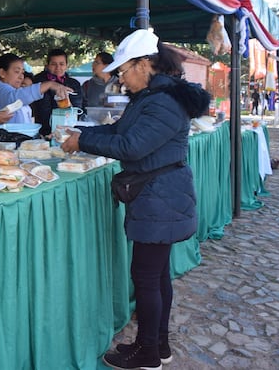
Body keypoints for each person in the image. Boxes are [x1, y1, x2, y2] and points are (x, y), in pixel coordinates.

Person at [61, 29, 210, 370]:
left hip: (161, 199)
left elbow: (132, 147)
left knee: (146, 276)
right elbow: (118, 132)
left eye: (125, 71)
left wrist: (82, 143)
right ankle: (158, 345)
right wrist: (81, 134)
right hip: (158, 197)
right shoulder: (150, 97)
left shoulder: (164, 101)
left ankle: (148, 354)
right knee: (156, 276)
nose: (122, 79)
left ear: (145, 65)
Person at [0, 53, 73, 124]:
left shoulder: (12, 89)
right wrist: (49, 84)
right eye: (16, 72)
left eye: (22, 72)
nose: (21, 77)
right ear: (2, 73)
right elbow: (16, 98)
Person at [33, 48, 83, 136]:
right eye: (53, 64)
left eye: (61, 64)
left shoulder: (74, 84)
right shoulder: (38, 82)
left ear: (66, 65)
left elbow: (78, 108)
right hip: (41, 131)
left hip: (68, 131)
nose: (58, 68)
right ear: (47, 65)